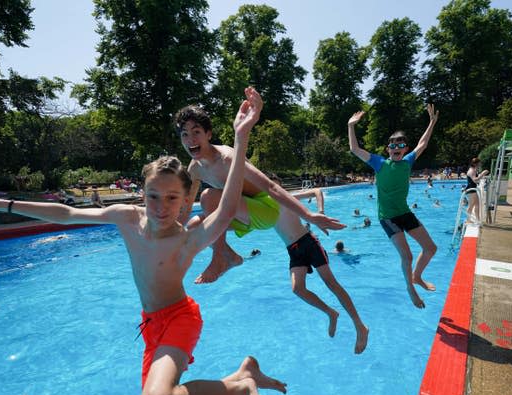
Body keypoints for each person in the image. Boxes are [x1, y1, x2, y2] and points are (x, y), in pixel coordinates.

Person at [0, 87, 287, 395]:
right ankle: (241, 377)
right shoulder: (127, 218)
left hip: (180, 318)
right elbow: (64, 214)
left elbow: (225, 211)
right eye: (153, 196)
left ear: (185, 201)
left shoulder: (188, 239)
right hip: (152, 324)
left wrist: (241, 139)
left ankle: (237, 391)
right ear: (142, 194)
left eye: (171, 199)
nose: (161, 207)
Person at [176, 104, 344, 284]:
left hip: (266, 209)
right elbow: (186, 208)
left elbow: (270, 187)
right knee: (194, 224)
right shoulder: (194, 169)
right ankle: (229, 256)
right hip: (240, 213)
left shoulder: (227, 158)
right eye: (185, 134)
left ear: (208, 134)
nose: (191, 139)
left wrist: (308, 215)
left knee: (208, 197)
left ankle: (219, 258)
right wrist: (164, 236)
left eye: (196, 132)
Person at [347, 105, 439, 309]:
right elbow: (354, 149)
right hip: (388, 217)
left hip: (404, 213)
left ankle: (417, 276)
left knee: (431, 248)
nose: (396, 150)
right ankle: (410, 288)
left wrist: (431, 122)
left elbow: (422, 144)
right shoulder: (379, 163)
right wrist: (351, 126)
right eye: (392, 147)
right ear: (388, 149)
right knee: (407, 255)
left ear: (405, 149)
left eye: (401, 146)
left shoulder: (408, 161)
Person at [269, 177, 368, 354]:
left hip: (308, 242)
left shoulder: (287, 197)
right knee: (297, 289)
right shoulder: (261, 205)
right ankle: (331, 313)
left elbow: (317, 191)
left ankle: (360, 326)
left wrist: (320, 214)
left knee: (331, 283)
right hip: (293, 249)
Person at [464, 157, 489, 223]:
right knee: (471, 205)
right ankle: (468, 220)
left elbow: (476, 180)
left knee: (477, 205)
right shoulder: (472, 170)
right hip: (471, 190)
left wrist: (481, 175)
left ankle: (478, 220)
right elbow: (475, 180)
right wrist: (483, 174)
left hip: (473, 189)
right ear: (476, 164)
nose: (480, 164)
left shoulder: (473, 169)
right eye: (479, 163)